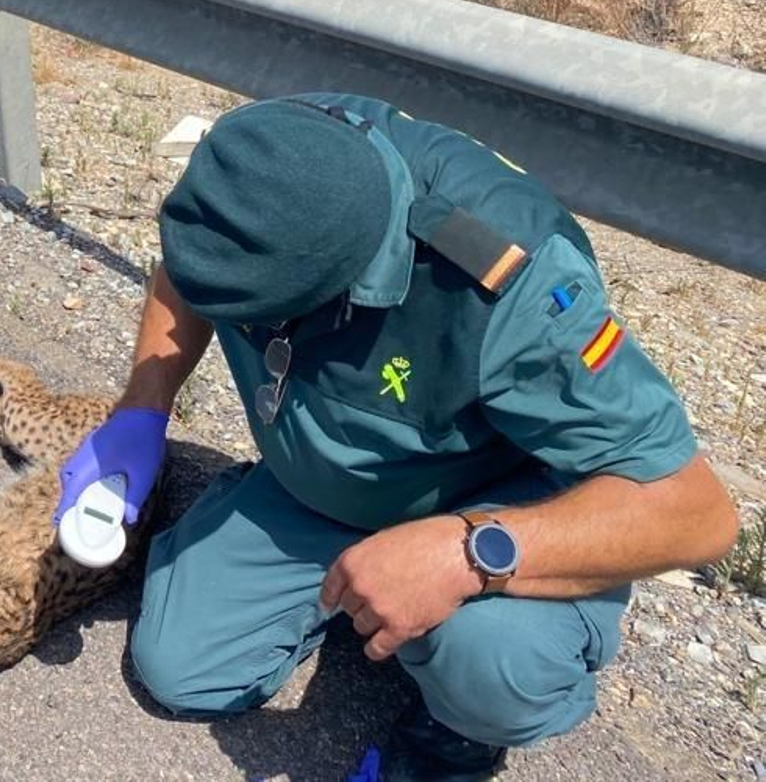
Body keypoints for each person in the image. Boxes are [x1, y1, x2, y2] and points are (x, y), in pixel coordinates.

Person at [55, 94, 739, 781]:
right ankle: (344, 563)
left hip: (489, 500)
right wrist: (142, 410)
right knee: (179, 669)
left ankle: (454, 734)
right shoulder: (263, 162)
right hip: (329, 483)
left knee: (498, 664)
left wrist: (464, 556)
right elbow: (189, 269)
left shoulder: (512, 286)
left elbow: (697, 515)